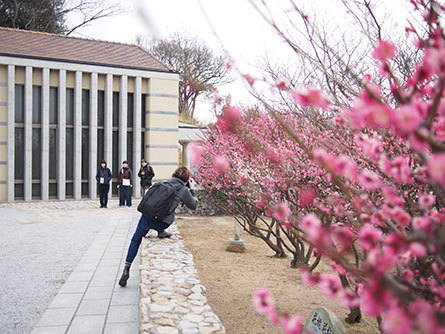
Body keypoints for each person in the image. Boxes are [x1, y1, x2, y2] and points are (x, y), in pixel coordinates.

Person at [118, 166, 198, 287]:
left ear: (174, 175)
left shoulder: (163, 183)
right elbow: (194, 205)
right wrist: (191, 190)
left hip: (146, 217)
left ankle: (126, 268)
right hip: (161, 222)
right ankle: (160, 230)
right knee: (170, 216)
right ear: (186, 180)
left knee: (135, 240)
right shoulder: (183, 190)